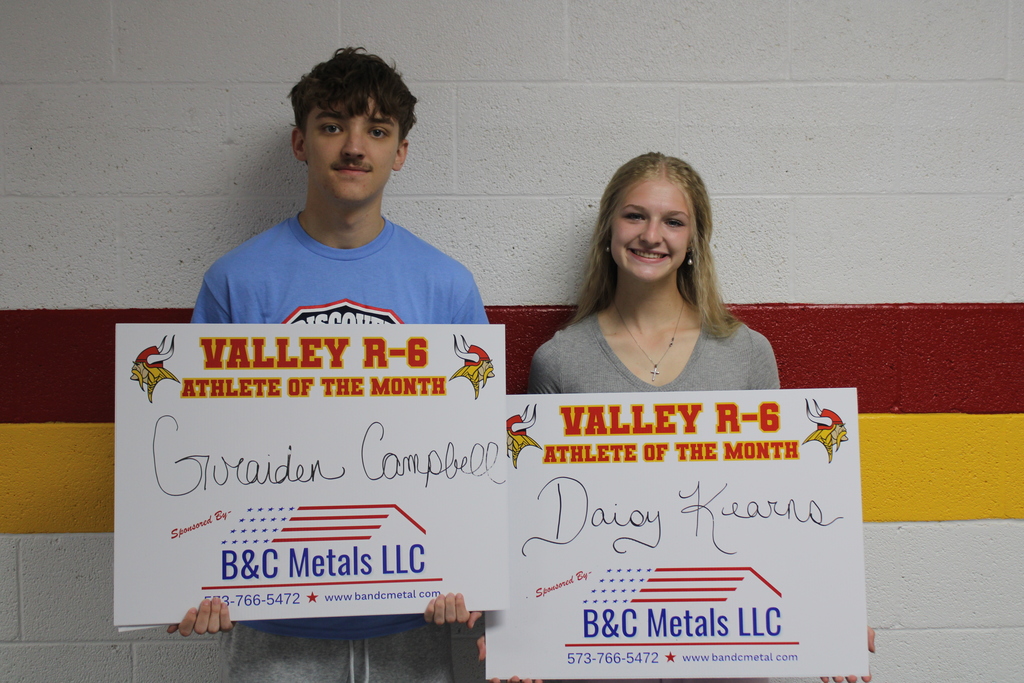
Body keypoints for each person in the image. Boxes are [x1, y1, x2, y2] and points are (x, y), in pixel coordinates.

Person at [167, 47, 485, 683]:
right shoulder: (237, 281)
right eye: (333, 125)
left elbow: (473, 457)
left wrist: (474, 573)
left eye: (377, 130)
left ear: (400, 152)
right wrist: (187, 575)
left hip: (412, 617)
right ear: (299, 142)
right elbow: (198, 444)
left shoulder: (446, 286)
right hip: (273, 624)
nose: (353, 147)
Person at [524, 152, 873, 683]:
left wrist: (828, 619)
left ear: (694, 239)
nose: (651, 235)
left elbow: (783, 509)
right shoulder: (559, 360)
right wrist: (519, 634)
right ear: (608, 229)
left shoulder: (747, 353)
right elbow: (537, 520)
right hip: (603, 651)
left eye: (673, 220)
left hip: (723, 648)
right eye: (635, 215)